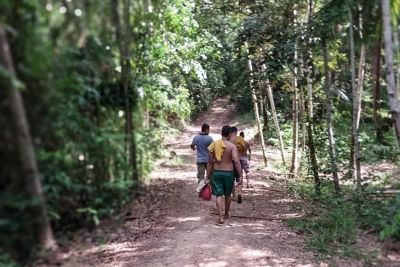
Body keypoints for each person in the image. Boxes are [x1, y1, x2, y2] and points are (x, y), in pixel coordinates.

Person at [206, 126, 242, 224]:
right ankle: (226, 214)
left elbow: (209, 162)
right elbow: (237, 162)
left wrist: (207, 176)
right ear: (229, 134)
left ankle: (220, 217)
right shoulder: (232, 146)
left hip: (217, 172)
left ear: (221, 133)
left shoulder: (214, 145)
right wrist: (240, 175)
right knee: (228, 195)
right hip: (229, 173)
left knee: (218, 195)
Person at [228, 126, 243, 203]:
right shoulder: (240, 139)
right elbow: (243, 149)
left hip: (230, 162)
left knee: (232, 179)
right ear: (236, 132)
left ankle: (233, 195)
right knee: (240, 177)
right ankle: (239, 193)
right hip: (238, 161)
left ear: (230, 132)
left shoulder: (229, 140)